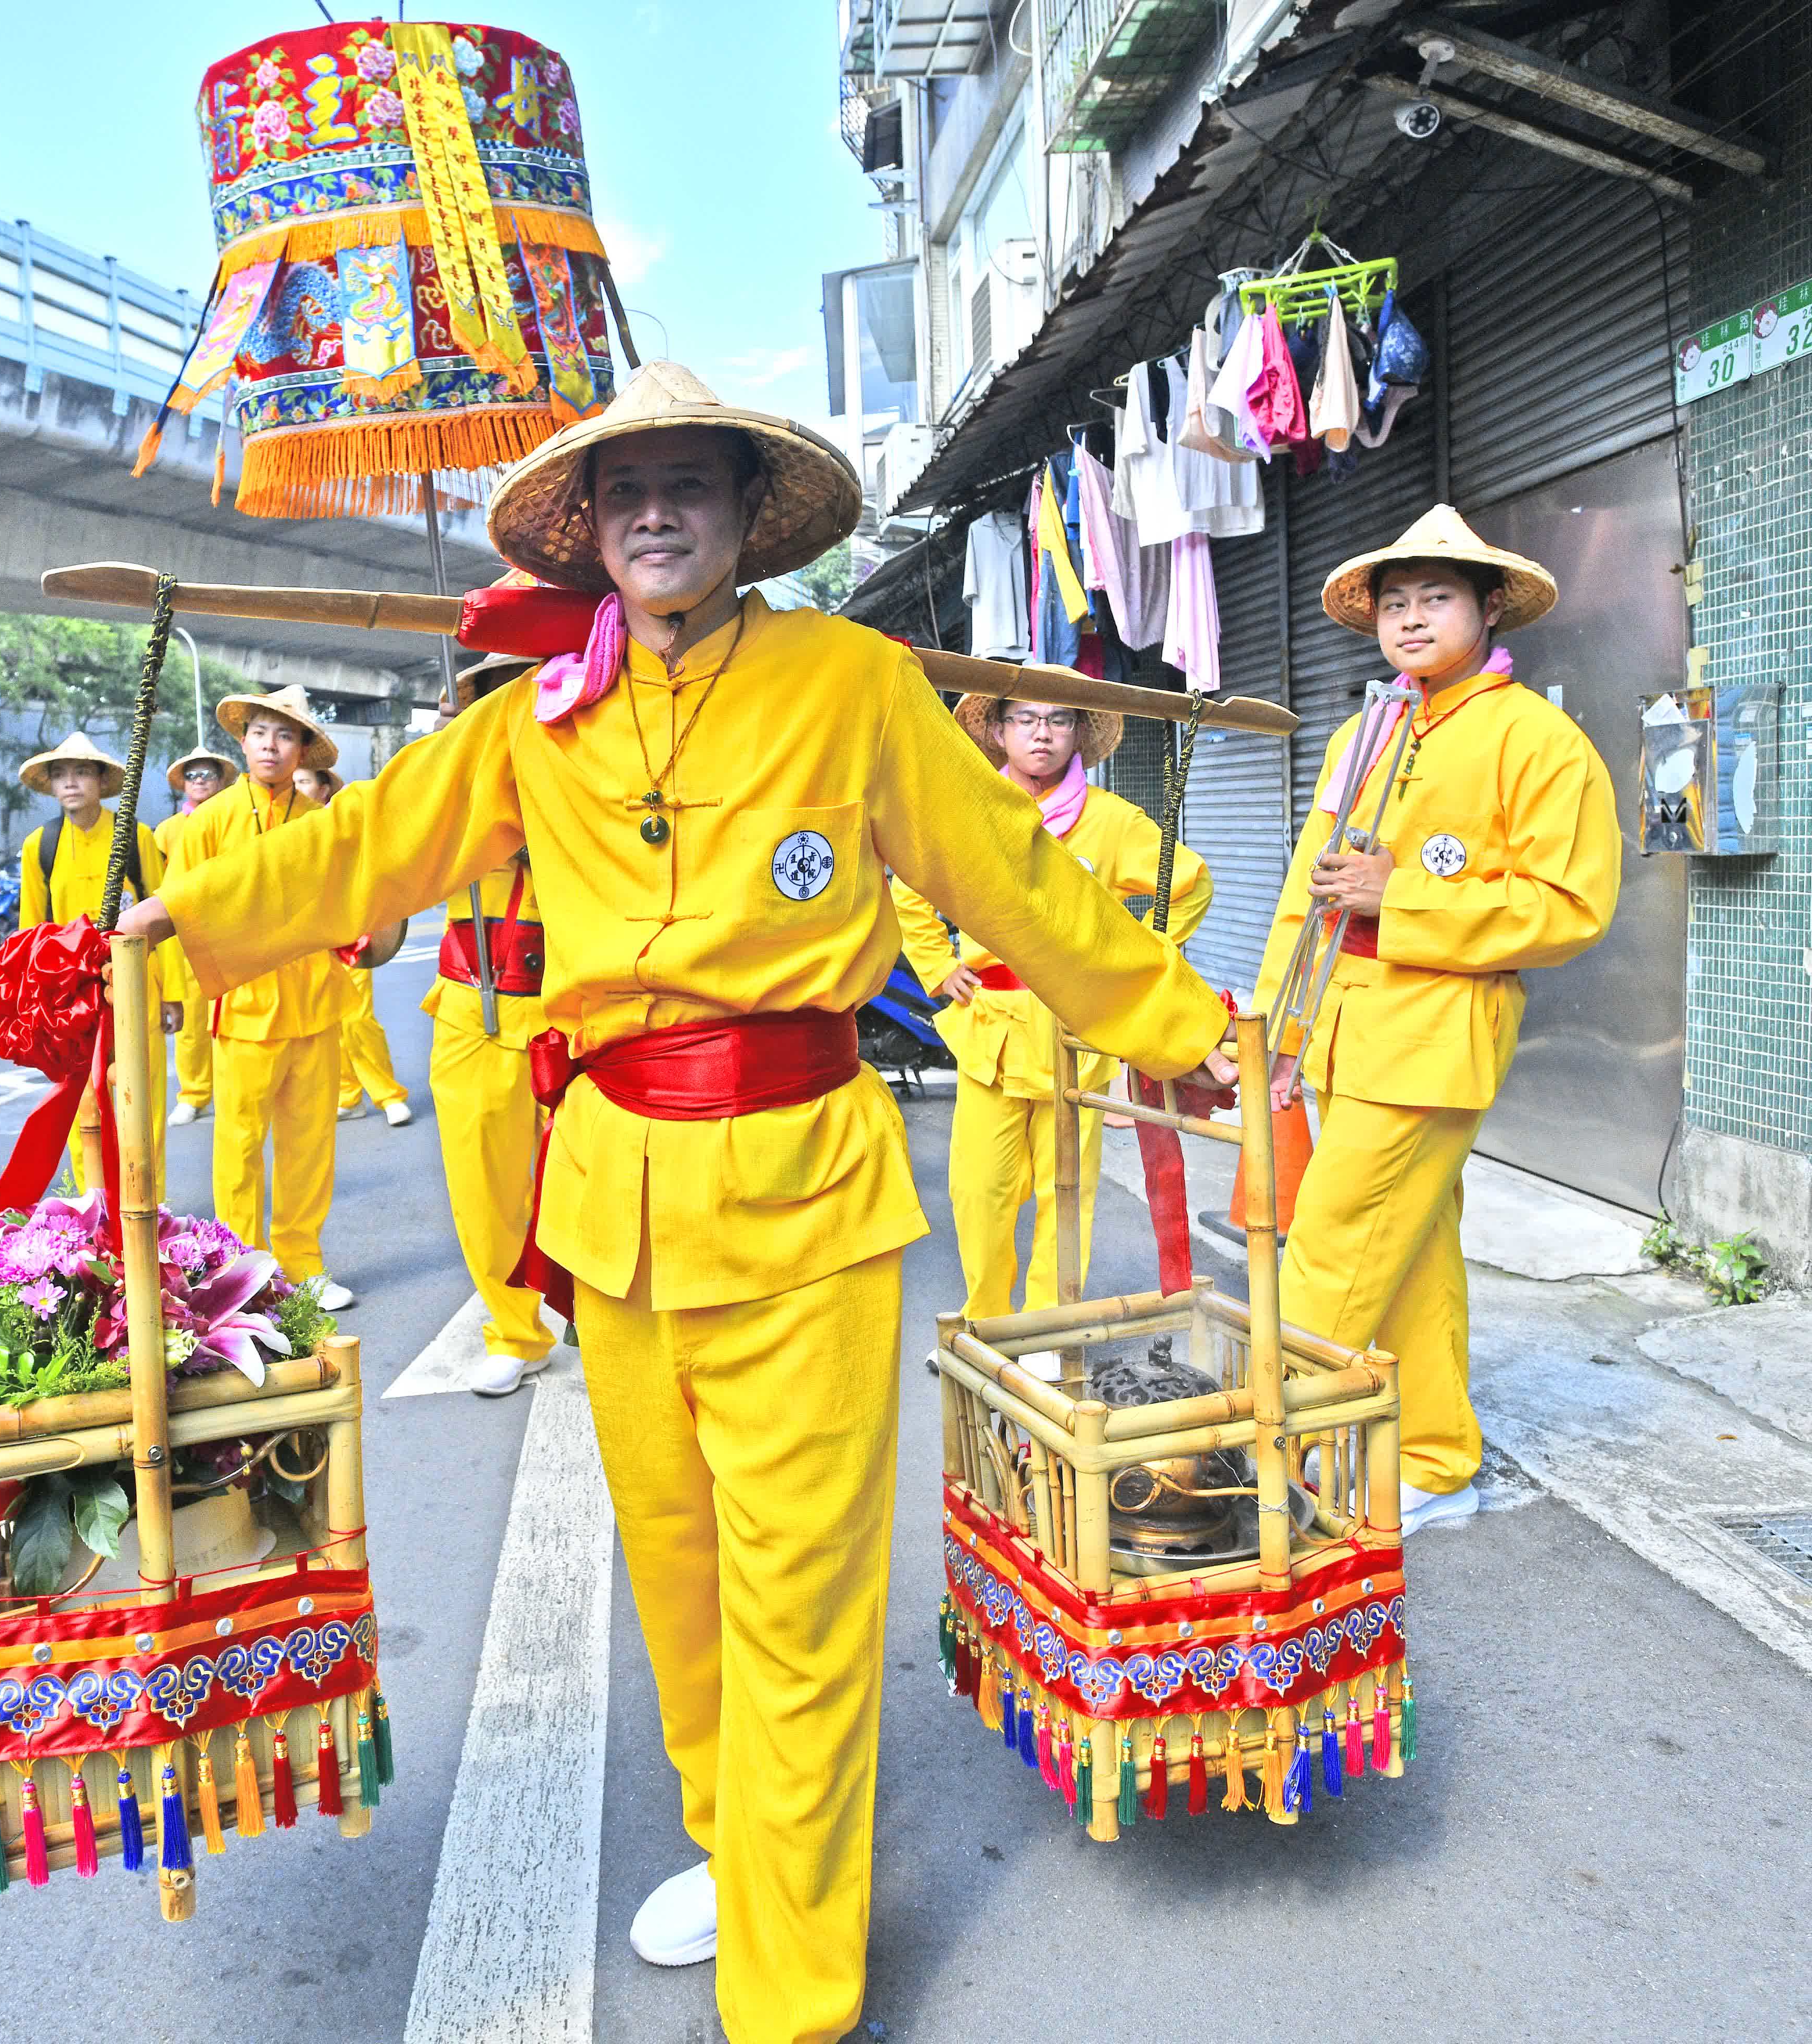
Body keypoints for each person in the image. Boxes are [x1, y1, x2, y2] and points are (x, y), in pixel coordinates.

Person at [118, 364, 1229, 2044]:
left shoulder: (849, 683)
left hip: (803, 1202)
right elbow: (356, 855)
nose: (655, 511)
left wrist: (1180, 1028)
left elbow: (1013, 878)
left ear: (740, 511)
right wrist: (163, 924)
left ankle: (792, 1994)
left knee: (801, 1598)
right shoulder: (527, 721)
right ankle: (738, 1839)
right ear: (588, 527)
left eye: (688, 483)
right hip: (618, 1213)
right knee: (681, 1577)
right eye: (623, 488)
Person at [1222, 504, 1621, 1536]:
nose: (1409, 620)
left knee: (1331, 1245)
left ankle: (1254, 1470)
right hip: (1349, 1026)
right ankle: (1439, 1462)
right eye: (1394, 603)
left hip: (1436, 1036)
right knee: (1414, 1249)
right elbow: (1309, 892)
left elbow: (1570, 906)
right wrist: (1273, 1028)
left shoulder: (1539, 740)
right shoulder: (1367, 730)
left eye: (1435, 598)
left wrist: (1398, 899)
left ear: (1490, 608)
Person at [893, 692, 1209, 1347]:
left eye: (1059, 719)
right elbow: (911, 884)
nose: (1042, 734)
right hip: (994, 1031)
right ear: (1000, 732)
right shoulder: (971, 809)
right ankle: (987, 1327)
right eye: (1026, 720)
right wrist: (936, 966)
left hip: (1074, 1034)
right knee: (980, 1193)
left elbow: (1189, 885)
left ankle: (1046, 1335)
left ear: (1079, 731)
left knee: (1067, 1198)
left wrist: (1128, 968)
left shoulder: (1114, 822)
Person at [159, 689, 361, 1312]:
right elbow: (172, 908)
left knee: (309, 1142)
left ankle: (304, 1263)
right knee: (240, 1144)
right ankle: (239, 1269)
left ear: (302, 750)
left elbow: (350, 903)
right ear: (242, 743)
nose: (271, 745)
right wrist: (170, 993)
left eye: (284, 735)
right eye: (260, 733)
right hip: (242, 1004)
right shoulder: (210, 820)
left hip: (314, 1000)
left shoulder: (322, 823)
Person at [424, 652, 554, 1397]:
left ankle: (594, 1311)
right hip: (471, 1001)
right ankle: (515, 1330)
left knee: (584, 1176)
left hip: (572, 997)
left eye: (529, 688)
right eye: (496, 692)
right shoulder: (452, 777)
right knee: (482, 1180)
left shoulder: (597, 763)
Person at [15, 731, 182, 1195]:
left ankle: (150, 1208)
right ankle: (93, 1209)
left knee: (142, 1103)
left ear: (100, 781)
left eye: (82, 772)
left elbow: (164, 914)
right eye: (61, 774)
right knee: (80, 1105)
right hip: (72, 999)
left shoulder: (136, 835)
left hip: (135, 989)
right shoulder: (40, 845)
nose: (71, 783)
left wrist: (173, 993)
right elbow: (32, 931)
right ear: (51, 785)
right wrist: (35, 1004)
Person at [294, 764, 418, 1128]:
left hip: (349, 934)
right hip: (307, 937)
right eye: (295, 782)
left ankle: (389, 1095)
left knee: (357, 1017)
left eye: (305, 782)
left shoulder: (343, 821)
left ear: (322, 788)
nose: (298, 788)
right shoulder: (283, 827)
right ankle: (349, 1095)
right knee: (326, 1021)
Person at [155, 747, 236, 1126]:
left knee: (233, 1017)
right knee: (189, 1023)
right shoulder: (167, 831)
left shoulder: (235, 820)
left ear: (222, 781)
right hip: (185, 934)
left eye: (208, 773)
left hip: (230, 931)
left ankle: (232, 1089)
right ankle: (194, 1093)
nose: (200, 780)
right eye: (193, 775)